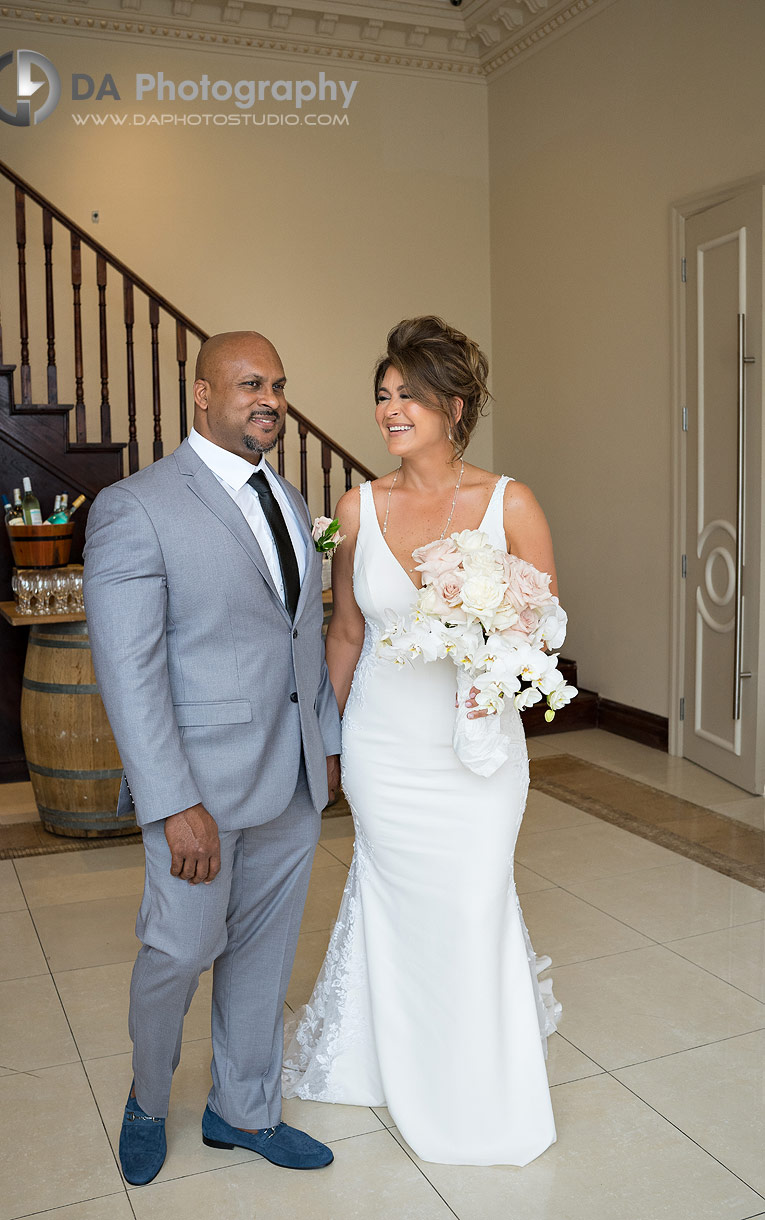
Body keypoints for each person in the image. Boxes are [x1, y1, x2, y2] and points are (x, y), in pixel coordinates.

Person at [282, 315, 561, 1166]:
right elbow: (343, 636)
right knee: (394, 899)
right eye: (382, 395)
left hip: (476, 752)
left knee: (473, 900)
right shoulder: (355, 507)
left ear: (455, 404)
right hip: (383, 748)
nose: (390, 409)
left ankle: (478, 1078)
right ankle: (385, 1054)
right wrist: (320, 744)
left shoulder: (509, 501)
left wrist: (491, 652)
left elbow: (543, 627)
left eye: (409, 394)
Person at [83, 331, 341, 1185]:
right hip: (198, 792)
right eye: (246, 383)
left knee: (264, 958)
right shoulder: (137, 506)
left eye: (276, 383)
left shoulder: (292, 499)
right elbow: (130, 671)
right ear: (200, 395)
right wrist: (170, 801)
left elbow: (300, 638)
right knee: (178, 955)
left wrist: (326, 748)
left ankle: (244, 1110)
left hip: (292, 782)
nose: (268, 398)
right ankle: (148, 1099)